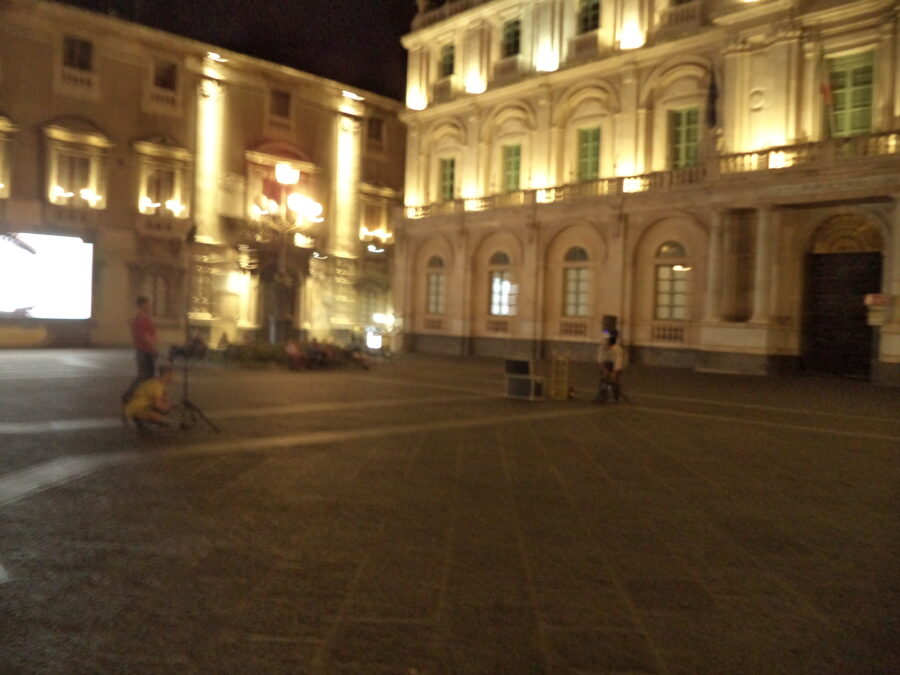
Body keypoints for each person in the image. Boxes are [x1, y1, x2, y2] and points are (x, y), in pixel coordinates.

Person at [122, 296, 158, 403]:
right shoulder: (140, 320)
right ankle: (129, 396)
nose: (149, 307)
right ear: (141, 305)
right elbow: (144, 336)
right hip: (144, 351)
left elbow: (151, 333)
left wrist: (154, 341)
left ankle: (144, 397)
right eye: (148, 304)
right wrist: (153, 347)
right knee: (144, 376)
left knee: (148, 377)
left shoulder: (144, 319)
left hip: (146, 350)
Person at [124, 363, 174, 433]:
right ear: (166, 375)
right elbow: (159, 405)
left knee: (164, 412)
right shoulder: (158, 386)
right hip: (137, 409)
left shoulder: (155, 381)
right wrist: (170, 409)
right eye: (171, 375)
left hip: (133, 407)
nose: (173, 377)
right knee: (167, 422)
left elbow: (161, 401)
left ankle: (143, 420)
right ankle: (141, 420)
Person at [593, 330, 626, 404]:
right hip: (605, 364)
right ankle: (603, 396)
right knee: (603, 381)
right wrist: (604, 369)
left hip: (614, 365)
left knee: (614, 382)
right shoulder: (602, 348)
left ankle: (615, 397)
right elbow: (600, 358)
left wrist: (615, 372)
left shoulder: (617, 349)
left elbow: (619, 361)